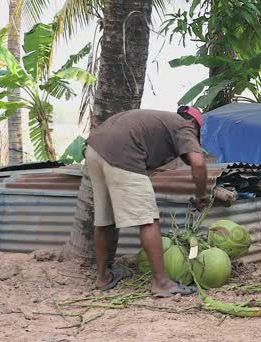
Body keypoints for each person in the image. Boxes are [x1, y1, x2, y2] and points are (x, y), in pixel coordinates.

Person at [85, 106, 209, 297]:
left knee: (104, 219)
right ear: (195, 124)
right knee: (148, 218)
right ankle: (162, 283)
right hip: (123, 152)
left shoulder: (162, 121)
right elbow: (198, 164)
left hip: (94, 149)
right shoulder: (185, 126)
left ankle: (103, 277)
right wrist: (201, 195)